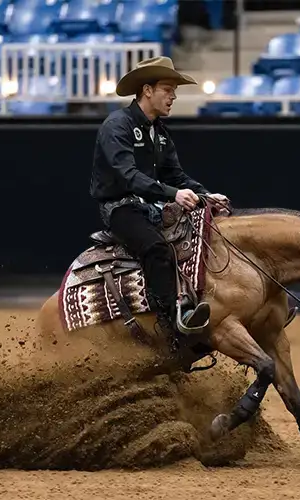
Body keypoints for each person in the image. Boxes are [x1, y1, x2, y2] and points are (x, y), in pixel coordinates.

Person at [89, 56, 230, 347]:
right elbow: (128, 176)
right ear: (147, 90)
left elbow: (176, 176)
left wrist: (206, 195)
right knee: (155, 247)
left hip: (151, 205)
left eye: (174, 90)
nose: (174, 96)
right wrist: (172, 195)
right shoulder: (117, 126)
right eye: (168, 89)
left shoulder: (160, 133)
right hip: (120, 207)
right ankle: (173, 324)